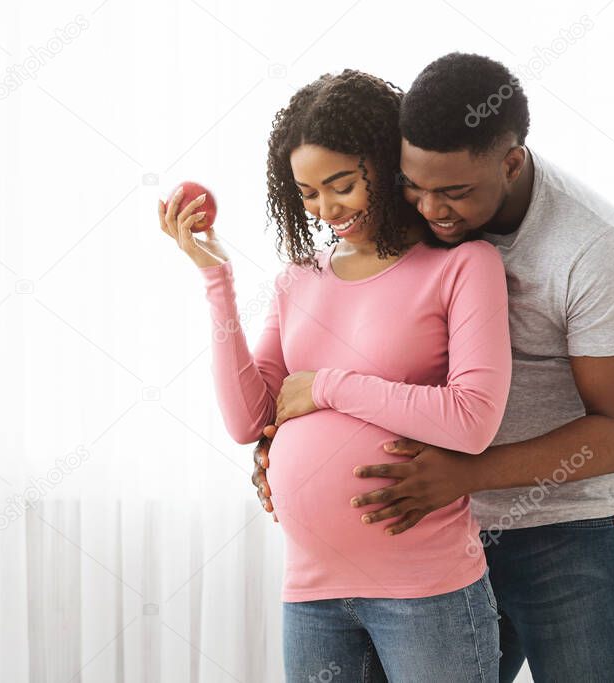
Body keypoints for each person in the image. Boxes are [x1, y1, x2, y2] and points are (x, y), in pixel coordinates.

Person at [253, 54, 614, 682]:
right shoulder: (412, 216)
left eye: (455, 193)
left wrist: (460, 476)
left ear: (511, 162)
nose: (431, 210)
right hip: (433, 535)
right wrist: (287, 448)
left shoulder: (595, 248)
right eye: (414, 184)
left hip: (570, 532)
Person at [159, 69, 511, 682]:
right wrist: (217, 282)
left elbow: (472, 419)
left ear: (382, 161)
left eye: (341, 185)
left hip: (425, 588)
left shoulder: (462, 266)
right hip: (313, 591)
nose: (326, 209)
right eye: (308, 193)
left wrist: (326, 385)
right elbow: (249, 419)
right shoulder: (300, 278)